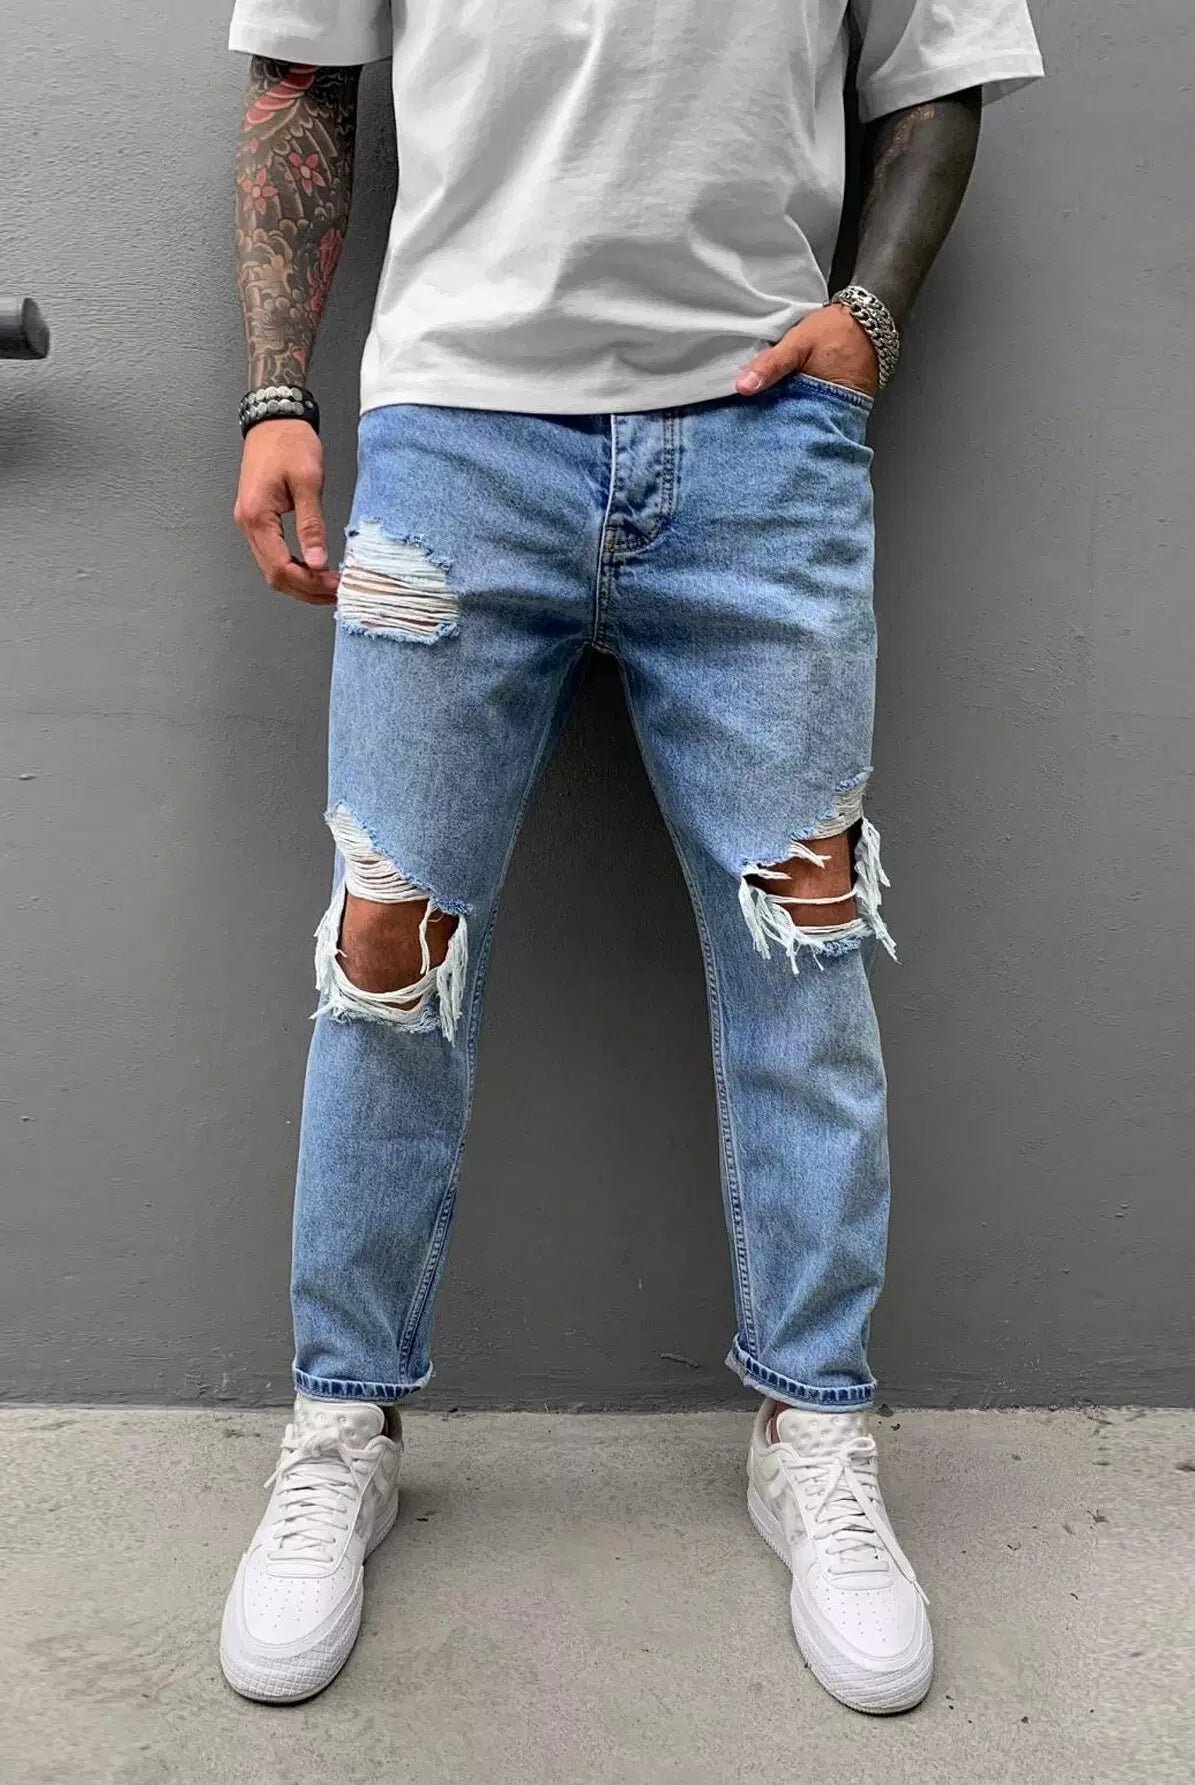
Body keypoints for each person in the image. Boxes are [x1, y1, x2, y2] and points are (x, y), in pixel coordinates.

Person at [220, 0, 1042, 1713]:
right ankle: (340, 1424)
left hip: (762, 435)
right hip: (456, 432)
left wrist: (869, 321)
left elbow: (939, 70)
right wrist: (276, 394)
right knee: (386, 954)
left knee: (806, 942)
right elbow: (301, 73)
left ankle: (816, 1430)